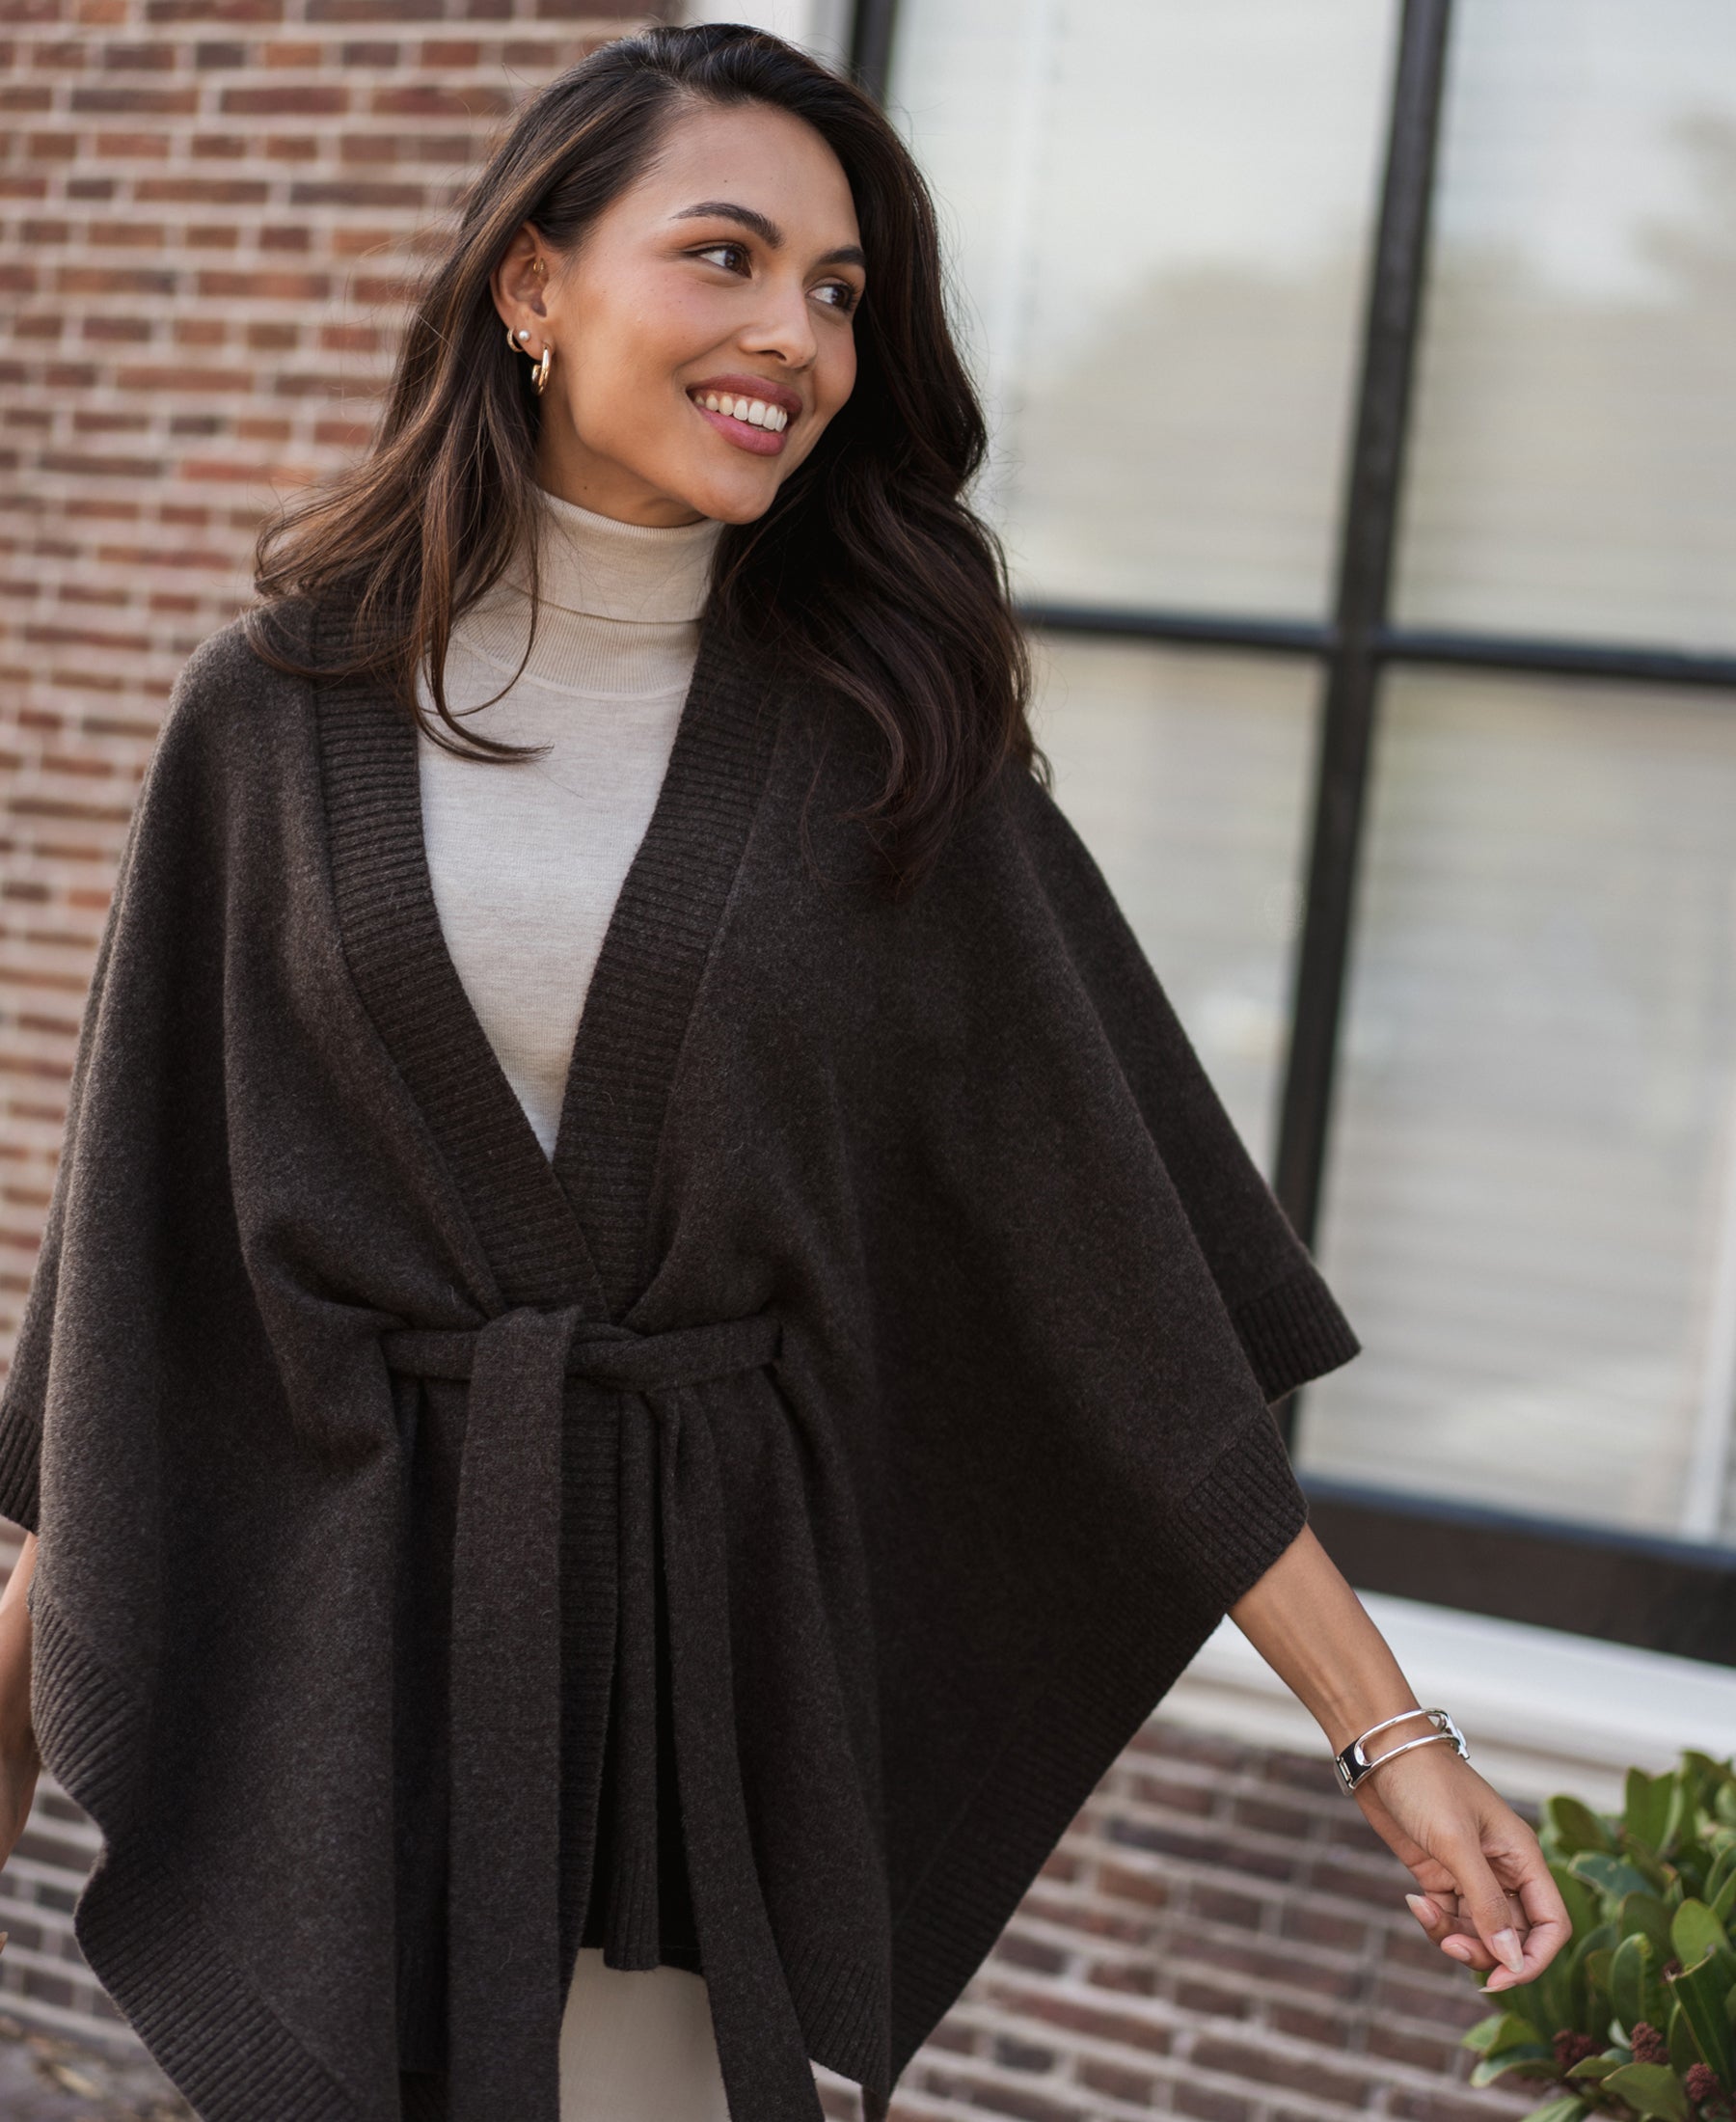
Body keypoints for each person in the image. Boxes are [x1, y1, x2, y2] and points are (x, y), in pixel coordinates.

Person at [0, 23, 1568, 2122]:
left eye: (838, 290)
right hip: (347, 1669)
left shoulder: (881, 739)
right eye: (725, 256)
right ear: (532, 284)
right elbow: (149, 1263)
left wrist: (1392, 1735)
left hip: (693, 1699)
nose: (795, 337)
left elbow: (1116, 1288)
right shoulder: (274, 708)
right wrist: (27, 1679)